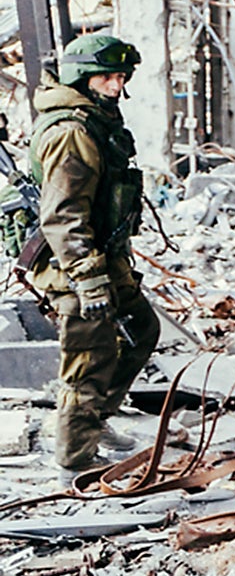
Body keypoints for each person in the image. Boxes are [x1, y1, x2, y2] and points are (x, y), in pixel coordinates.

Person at [26, 31, 160, 470]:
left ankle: (95, 419)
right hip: (73, 262)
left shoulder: (96, 121)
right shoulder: (72, 132)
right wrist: (88, 279)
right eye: (107, 78)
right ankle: (76, 457)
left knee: (142, 331)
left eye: (121, 77)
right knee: (89, 358)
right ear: (84, 79)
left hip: (102, 255)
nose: (117, 87)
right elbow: (63, 214)